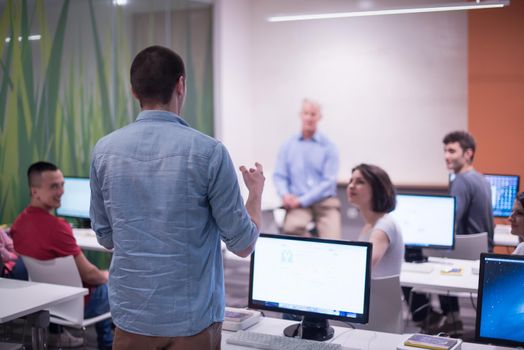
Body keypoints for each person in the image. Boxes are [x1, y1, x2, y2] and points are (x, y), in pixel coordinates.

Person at [89, 45, 264, 350]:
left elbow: (105, 238)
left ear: (133, 91)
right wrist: (256, 194)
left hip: (132, 318)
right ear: (181, 85)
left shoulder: (104, 151)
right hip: (192, 322)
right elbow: (243, 244)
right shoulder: (209, 152)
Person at [10, 161, 112, 349]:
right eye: (54, 186)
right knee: (112, 285)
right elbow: (90, 275)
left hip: (46, 301)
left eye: (62, 184)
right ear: (35, 192)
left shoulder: (19, 224)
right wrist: (107, 276)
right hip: (78, 303)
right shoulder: (58, 228)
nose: (61, 191)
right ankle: (107, 344)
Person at [409, 131, 494, 336]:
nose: (446, 156)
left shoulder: (461, 181)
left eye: (452, 151)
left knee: (411, 254)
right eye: (445, 151)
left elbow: (449, 223)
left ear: (468, 153)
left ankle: (428, 316)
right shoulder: (481, 178)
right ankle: (452, 317)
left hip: (465, 253)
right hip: (483, 249)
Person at [273, 98, 341, 239]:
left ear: (319, 117)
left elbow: (328, 182)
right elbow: (279, 176)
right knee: (291, 230)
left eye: (313, 114)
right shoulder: (288, 145)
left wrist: (302, 200)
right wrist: (285, 195)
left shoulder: (329, 147)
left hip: (324, 203)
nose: (309, 117)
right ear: (300, 115)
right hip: (297, 204)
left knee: (334, 240)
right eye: (306, 113)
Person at [346, 164, 404, 277]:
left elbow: (361, 268)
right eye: (351, 181)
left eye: (360, 182)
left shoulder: (384, 225)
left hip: (380, 295)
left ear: (376, 189)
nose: (351, 186)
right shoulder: (370, 224)